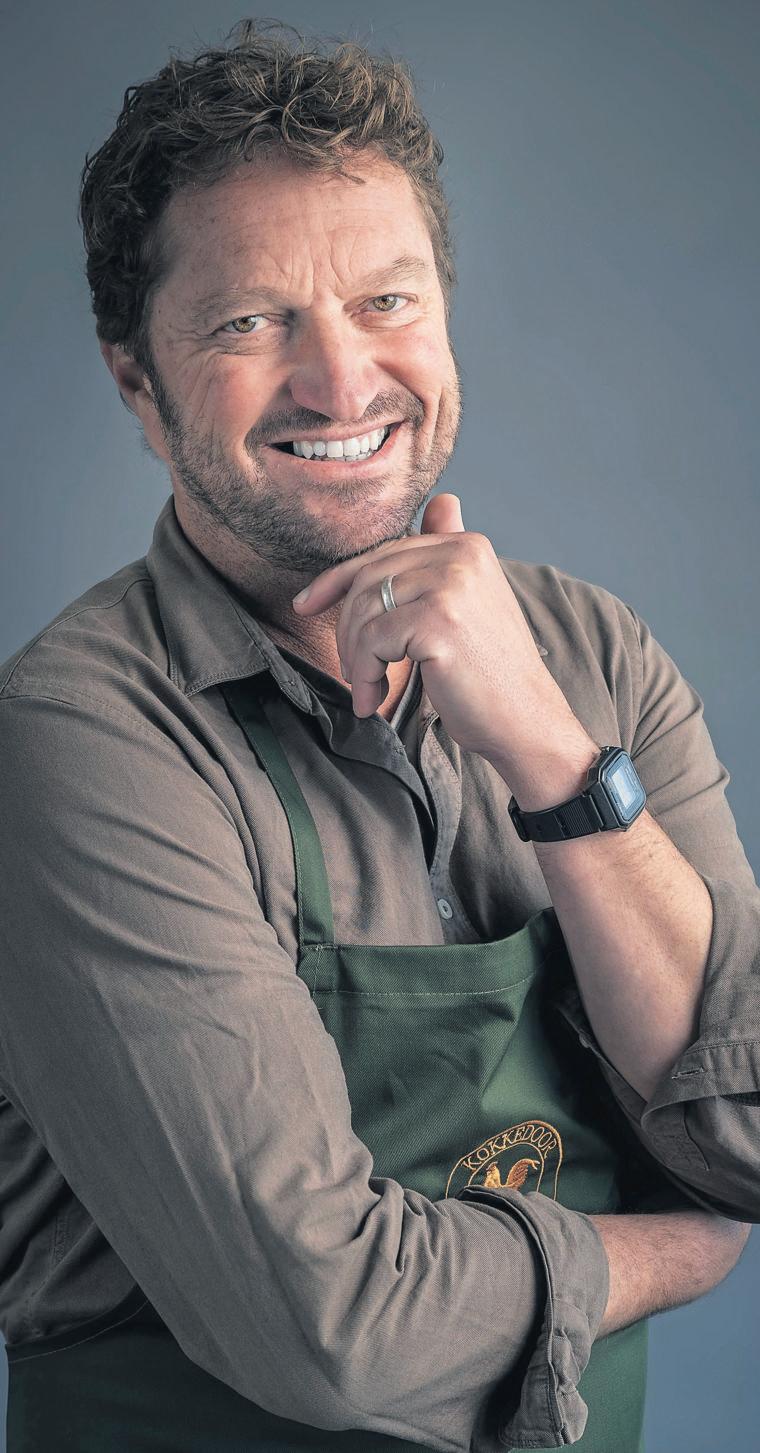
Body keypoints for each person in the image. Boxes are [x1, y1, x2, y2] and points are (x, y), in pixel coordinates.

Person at [1, 17, 757, 1453]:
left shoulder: (592, 656)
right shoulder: (82, 742)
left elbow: (750, 1129)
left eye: (386, 300)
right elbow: (333, 1325)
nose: (343, 384)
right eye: (251, 322)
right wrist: (671, 1251)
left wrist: (553, 759)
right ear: (137, 384)